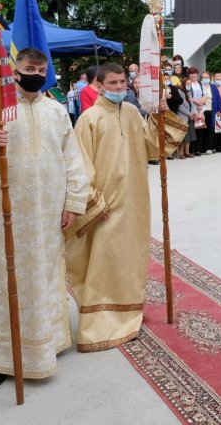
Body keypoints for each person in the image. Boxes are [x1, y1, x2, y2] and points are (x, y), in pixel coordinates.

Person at [0, 48, 90, 387]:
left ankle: (47, 344)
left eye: (42, 69)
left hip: (48, 213)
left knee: (44, 277)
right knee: (5, 280)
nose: (36, 73)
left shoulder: (57, 112)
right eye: (30, 68)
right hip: (8, 214)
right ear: (15, 70)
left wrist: (72, 202)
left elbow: (72, 160)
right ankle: (0, 360)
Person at [66, 62, 163, 352]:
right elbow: (80, 164)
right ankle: (98, 325)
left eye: (122, 82)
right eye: (113, 83)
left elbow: (152, 147)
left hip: (134, 199)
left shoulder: (133, 112)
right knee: (102, 262)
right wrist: (93, 201)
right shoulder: (89, 119)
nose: (120, 88)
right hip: (105, 204)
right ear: (99, 85)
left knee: (130, 258)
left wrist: (158, 118)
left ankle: (128, 312)